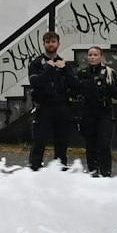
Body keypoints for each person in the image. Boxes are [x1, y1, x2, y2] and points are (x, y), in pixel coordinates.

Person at [26, 31, 77, 170]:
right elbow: (35, 83)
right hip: (44, 107)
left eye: (53, 41)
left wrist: (65, 68)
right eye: (48, 42)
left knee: (62, 142)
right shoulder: (36, 63)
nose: (50, 44)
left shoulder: (64, 63)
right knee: (39, 141)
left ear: (58, 44)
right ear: (44, 44)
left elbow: (75, 84)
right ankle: (34, 169)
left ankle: (60, 170)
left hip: (62, 107)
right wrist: (49, 67)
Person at [74, 46, 117, 176]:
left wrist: (107, 86)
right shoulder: (82, 73)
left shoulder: (109, 72)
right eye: (90, 55)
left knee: (104, 145)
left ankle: (106, 172)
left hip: (104, 113)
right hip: (88, 114)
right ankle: (93, 171)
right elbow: (75, 92)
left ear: (101, 56)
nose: (92, 57)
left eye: (95, 55)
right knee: (90, 145)